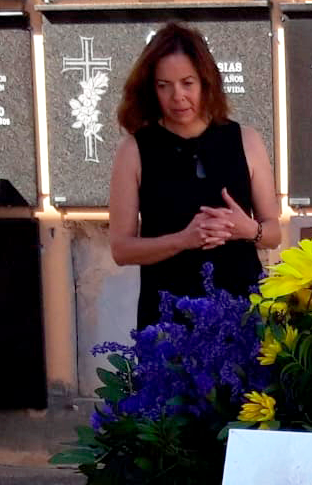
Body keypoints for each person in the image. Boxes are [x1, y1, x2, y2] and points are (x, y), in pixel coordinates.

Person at [108, 22, 282, 329]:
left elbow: (273, 233)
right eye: (164, 86)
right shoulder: (134, 149)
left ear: (205, 82)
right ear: (151, 89)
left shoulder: (246, 139)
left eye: (187, 83)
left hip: (239, 313)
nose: (177, 96)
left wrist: (246, 229)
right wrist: (183, 240)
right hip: (168, 321)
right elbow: (121, 249)